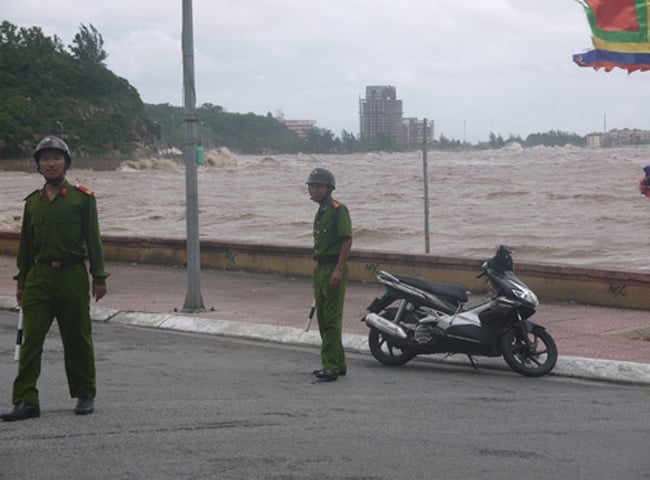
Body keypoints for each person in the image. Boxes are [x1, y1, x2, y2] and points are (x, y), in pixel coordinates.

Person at [1, 136, 109, 421]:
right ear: (38, 165)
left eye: (56, 158)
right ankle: (25, 400)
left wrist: (99, 276)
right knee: (30, 341)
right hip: (39, 277)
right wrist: (22, 283)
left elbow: (93, 240)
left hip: (72, 276)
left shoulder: (82, 198)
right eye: (45, 159)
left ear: (66, 163)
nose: (51, 163)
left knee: (77, 338)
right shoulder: (32, 203)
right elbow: (25, 248)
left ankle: (85, 392)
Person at [306, 168, 352, 382]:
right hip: (321, 268)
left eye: (318, 186)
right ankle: (338, 363)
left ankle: (330, 366)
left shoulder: (338, 209)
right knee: (323, 319)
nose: (313, 190)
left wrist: (339, 269)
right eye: (312, 186)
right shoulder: (321, 211)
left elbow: (346, 240)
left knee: (332, 319)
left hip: (334, 267)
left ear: (329, 188)